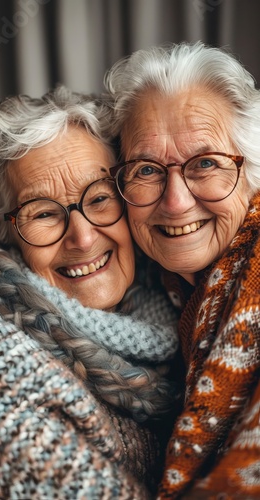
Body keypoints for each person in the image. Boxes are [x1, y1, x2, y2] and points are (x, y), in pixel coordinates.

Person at [0, 86, 180, 499]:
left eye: (100, 197)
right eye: (43, 213)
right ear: (7, 234)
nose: (83, 238)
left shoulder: (179, 302)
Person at [105, 41, 260, 499]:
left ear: (252, 170)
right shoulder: (158, 291)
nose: (175, 202)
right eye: (147, 169)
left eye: (207, 163)